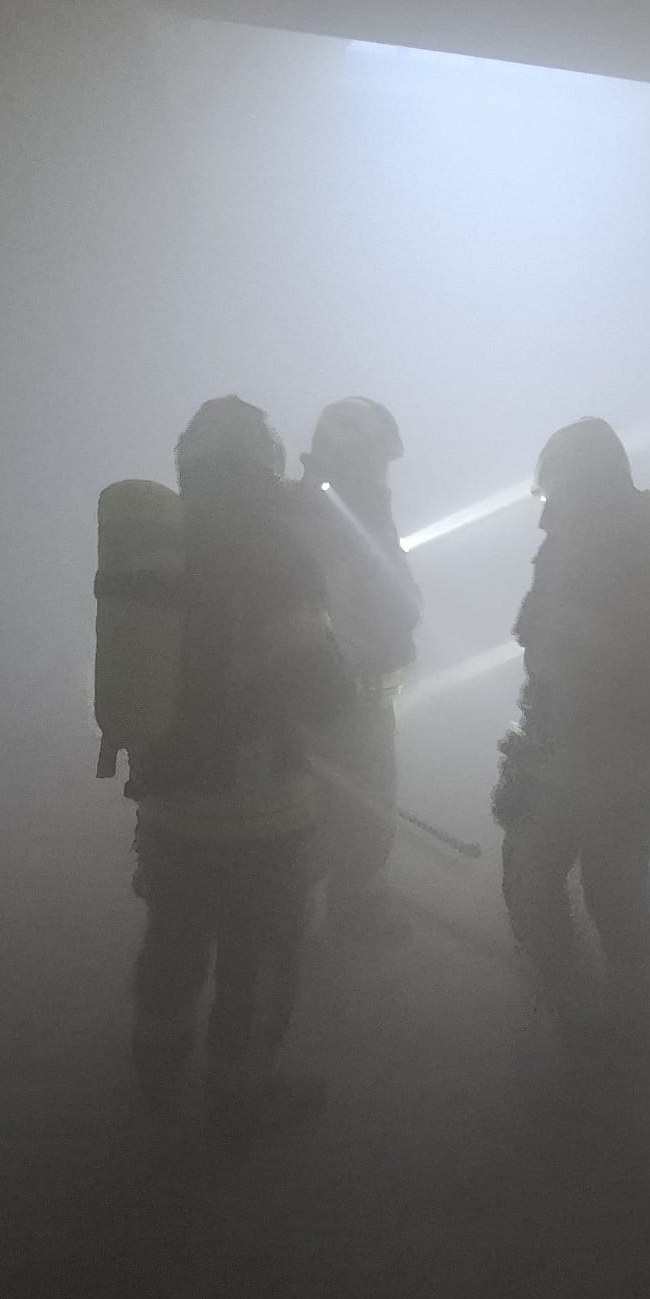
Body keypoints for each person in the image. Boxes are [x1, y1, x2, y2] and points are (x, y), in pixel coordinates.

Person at [120, 397, 353, 1130]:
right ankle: (238, 1091)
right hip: (261, 812)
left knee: (173, 938)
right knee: (256, 954)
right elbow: (319, 689)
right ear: (266, 461)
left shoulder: (155, 544)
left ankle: (156, 1068)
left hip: (167, 804)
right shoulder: (276, 550)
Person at [491, 417, 650, 1091]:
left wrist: (537, 749)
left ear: (568, 478)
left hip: (584, 752)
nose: (545, 504)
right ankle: (639, 1045)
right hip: (642, 754)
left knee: (533, 884)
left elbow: (559, 660)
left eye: (547, 488)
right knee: (619, 895)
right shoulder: (641, 539)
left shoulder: (585, 547)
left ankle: (580, 1027)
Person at [289, 397, 422, 941]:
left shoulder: (359, 511)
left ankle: (354, 911)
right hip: (327, 705)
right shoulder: (314, 518)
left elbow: (394, 596)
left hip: (362, 702)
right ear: (348, 455)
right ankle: (296, 938)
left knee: (367, 819)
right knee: (318, 823)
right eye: (376, 458)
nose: (383, 471)